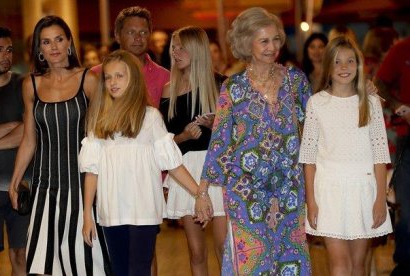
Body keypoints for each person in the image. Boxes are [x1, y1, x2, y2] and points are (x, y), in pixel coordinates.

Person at [80, 49, 213, 276]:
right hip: (111, 211)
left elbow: (172, 164)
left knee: (140, 270)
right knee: (119, 271)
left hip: (143, 210)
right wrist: (86, 216)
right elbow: (92, 172)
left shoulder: (150, 117)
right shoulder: (98, 120)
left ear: (133, 78)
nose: (113, 82)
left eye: (119, 76)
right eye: (108, 77)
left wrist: (199, 193)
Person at [200, 7, 311, 275]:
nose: (272, 47)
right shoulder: (233, 87)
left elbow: (314, 130)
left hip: (290, 189)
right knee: (253, 263)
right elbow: (221, 140)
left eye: (276, 39)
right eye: (264, 40)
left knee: (290, 260)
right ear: (247, 44)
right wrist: (202, 192)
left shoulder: (296, 81)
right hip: (245, 192)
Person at [7, 16, 111, 275]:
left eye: (59, 39)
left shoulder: (89, 80)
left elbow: (102, 136)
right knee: (43, 266)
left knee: (85, 265)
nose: (53, 46)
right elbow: (30, 139)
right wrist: (15, 181)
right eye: (46, 41)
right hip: (45, 188)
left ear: (69, 43)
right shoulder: (30, 84)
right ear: (38, 49)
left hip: (82, 187)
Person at [299, 36, 392, 275]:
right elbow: (308, 158)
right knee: (339, 265)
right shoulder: (316, 103)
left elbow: (380, 155)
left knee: (358, 264)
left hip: (364, 191)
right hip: (328, 192)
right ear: (328, 66)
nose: (344, 67)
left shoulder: (370, 103)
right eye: (337, 62)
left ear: (358, 66)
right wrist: (311, 200)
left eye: (350, 61)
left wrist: (380, 198)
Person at [159, 26, 227, 275]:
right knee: (196, 251)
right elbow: (165, 145)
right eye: (173, 47)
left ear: (196, 49)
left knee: (223, 248)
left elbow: (237, 136)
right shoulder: (169, 89)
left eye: (181, 47)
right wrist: (185, 136)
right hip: (185, 173)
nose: (175, 52)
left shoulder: (221, 84)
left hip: (218, 170)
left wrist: (215, 124)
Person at [375, 36, 410, 275]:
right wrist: (398, 106)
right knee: (407, 208)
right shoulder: (402, 48)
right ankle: (405, 265)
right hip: (408, 136)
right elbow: (380, 84)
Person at [0, 26, 29, 276]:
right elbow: (19, 129)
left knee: (22, 256)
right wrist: (13, 126)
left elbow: (30, 131)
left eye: (8, 49)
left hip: (21, 186)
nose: (5, 56)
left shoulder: (24, 85)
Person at [91, 6, 170, 108]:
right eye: (131, 32)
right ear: (117, 36)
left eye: (143, 32)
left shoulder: (165, 77)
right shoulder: (96, 74)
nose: (138, 38)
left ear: (150, 35)